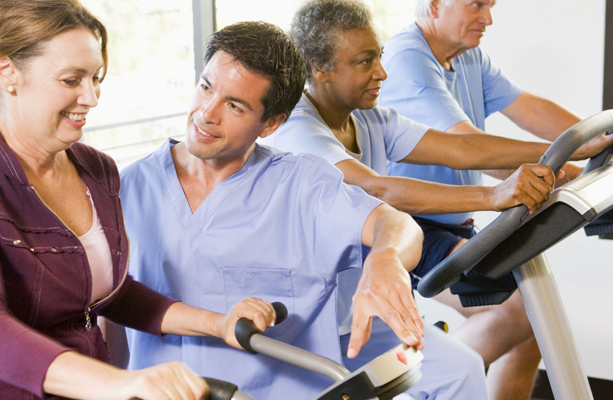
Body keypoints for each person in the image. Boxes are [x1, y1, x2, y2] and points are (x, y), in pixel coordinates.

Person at [0, 1, 277, 399]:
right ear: (7, 71)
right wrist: (121, 381)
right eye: (72, 80)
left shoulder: (95, 170)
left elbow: (110, 294)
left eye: (96, 78)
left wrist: (217, 324)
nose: (92, 97)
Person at [262, 1, 613, 398]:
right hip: (305, 321)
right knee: (510, 317)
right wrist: (494, 194)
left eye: (378, 57)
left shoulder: (371, 119)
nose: (383, 72)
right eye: (366, 62)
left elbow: (463, 150)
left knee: (464, 368)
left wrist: (579, 149)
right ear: (317, 67)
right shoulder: (297, 131)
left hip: (353, 312)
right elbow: (379, 189)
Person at [119, 21, 428, 400]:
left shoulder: (302, 186)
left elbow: (396, 224)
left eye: (234, 106)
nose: (206, 114)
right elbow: (106, 308)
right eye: (206, 87)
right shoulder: (127, 186)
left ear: (271, 124)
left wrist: (387, 257)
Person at [379, 1, 595, 399]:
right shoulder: (408, 58)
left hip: (454, 222)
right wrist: (577, 169)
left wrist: (601, 140)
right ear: (434, 5)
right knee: (520, 311)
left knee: (534, 320)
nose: (488, 18)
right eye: (476, 4)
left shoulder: (468, 56)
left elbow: (530, 108)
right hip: (409, 225)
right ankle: (415, 386)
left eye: (491, 5)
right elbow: (469, 148)